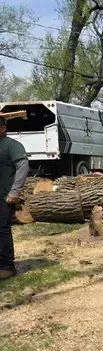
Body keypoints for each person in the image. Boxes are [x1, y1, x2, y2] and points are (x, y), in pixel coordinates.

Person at [0, 116, 30, 280]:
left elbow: (23, 167)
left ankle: (7, 266)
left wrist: (14, 192)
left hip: (4, 196)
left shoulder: (12, 145)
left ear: (3, 128)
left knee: (2, 229)